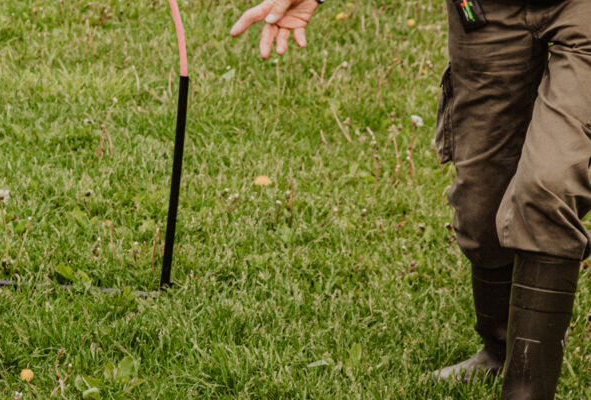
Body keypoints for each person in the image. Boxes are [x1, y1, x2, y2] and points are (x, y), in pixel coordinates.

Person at [230, 0, 591, 398]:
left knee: (548, 186)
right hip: (488, 12)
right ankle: (500, 350)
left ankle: (525, 391)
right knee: (480, 204)